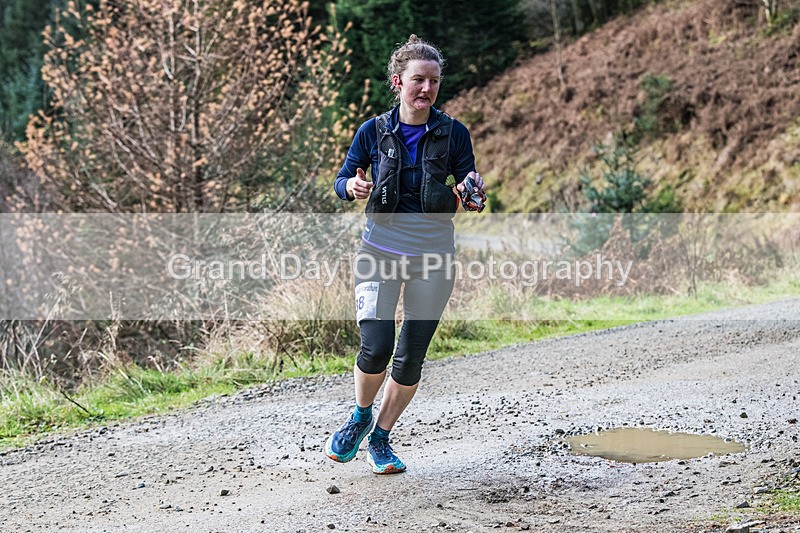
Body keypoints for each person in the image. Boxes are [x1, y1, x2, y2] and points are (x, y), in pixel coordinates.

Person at [326, 35, 486, 474]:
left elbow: (469, 187)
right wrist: (351, 186)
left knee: (410, 356)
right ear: (398, 82)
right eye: (419, 80)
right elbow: (341, 180)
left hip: (433, 258)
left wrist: (472, 193)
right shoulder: (372, 131)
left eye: (434, 81)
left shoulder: (454, 133)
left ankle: (381, 437)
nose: (427, 88)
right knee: (376, 348)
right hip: (378, 251)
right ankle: (360, 416)